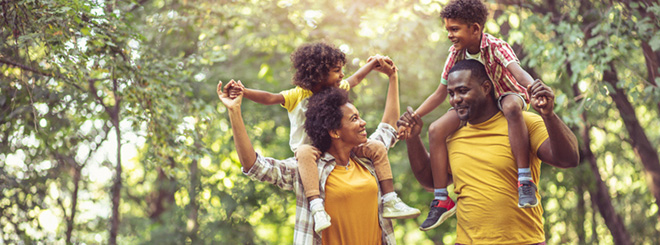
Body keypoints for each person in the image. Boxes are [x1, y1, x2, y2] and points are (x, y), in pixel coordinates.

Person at [228, 42, 419, 233]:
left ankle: (390, 199)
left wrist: (389, 73)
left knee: (377, 146)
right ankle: (316, 207)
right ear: (334, 130)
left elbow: (386, 125)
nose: (363, 123)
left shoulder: (366, 158)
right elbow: (255, 164)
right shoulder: (307, 170)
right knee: (304, 152)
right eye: (354, 119)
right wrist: (238, 103)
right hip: (308, 155)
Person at [400, 59, 579, 244]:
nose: (455, 99)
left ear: (486, 88)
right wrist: (413, 138)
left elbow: (569, 159)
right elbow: (431, 181)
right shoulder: (450, 135)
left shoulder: (522, 123)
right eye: (451, 93)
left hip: (525, 241)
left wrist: (548, 115)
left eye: (463, 91)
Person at [397, 0, 540, 230]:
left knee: (512, 108)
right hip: (475, 104)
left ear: (475, 28)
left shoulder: (496, 46)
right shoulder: (455, 53)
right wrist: (415, 116)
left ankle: (524, 180)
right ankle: (442, 198)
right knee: (436, 129)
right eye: (448, 30)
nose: (450, 35)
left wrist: (535, 89)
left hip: (506, 94)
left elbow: (518, 72)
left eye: (454, 29)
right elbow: (440, 93)